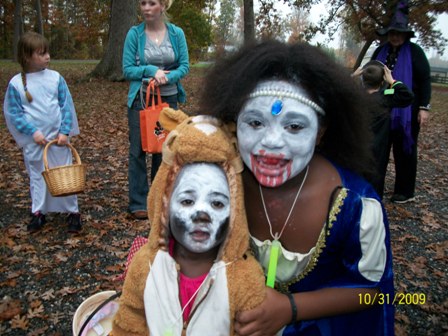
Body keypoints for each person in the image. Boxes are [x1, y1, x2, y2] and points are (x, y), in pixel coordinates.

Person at [200, 40, 395, 335]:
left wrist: (289, 309)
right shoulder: (222, 184)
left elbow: (374, 291)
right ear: (233, 122)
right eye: (255, 122)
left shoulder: (356, 206)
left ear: (321, 133)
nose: (271, 142)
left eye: (294, 126)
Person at [112, 110, 266, 335]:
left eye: (217, 204)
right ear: (164, 205)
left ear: (235, 213)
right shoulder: (145, 265)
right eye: (187, 200)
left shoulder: (244, 278)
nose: (201, 214)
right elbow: (130, 321)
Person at [3, 32, 82, 233]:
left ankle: (73, 212)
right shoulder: (17, 84)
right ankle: (38, 211)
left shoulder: (56, 78)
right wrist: (32, 132)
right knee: (37, 175)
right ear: (27, 57)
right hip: (35, 140)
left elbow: (65, 106)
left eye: (47, 52)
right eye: (41, 53)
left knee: (65, 172)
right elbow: (14, 113)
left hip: (58, 139)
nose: (47, 56)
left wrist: (65, 131)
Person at [123, 0, 189, 220]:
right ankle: (139, 202)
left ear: (162, 6)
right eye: (142, 3)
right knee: (138, 150)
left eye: (152, 3)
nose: (146, 8)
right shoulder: (135, 34)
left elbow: (185, 66)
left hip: (168, 100)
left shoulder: (176, 34)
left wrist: (167, 77)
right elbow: (128, 69)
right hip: (141, 99)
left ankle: (160, 198)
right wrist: (152, 70)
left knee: (165, 148)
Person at [371, 0, 431, 203]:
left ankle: (404, 191)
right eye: (392, 33)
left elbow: (424, 81)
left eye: (398, 33)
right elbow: (370, 75)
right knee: (378, 149)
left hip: (407, 108)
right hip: (382, 109)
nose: (394, 37)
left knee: (405, 150)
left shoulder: (416, 53)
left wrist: (424, 107)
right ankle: (374, 187)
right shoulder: (380, 53)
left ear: (405, 34)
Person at [352, 60, 414, 198]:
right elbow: (408, 96)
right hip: (377, 148)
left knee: (354, 175)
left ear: (362, 79)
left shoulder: (355, 97)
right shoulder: (386, 98)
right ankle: (373, 204)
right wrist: (392, 80)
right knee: (375, 176)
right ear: (382, 82)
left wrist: (352, 77)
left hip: (356, 146)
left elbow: (338, 90)